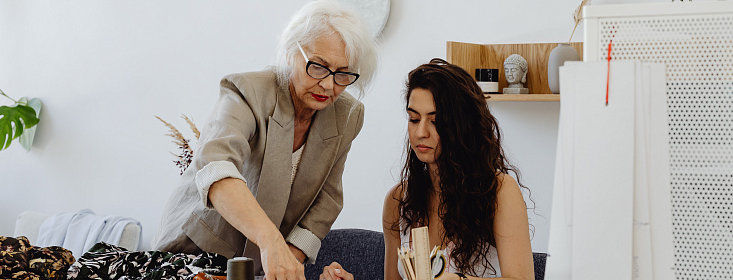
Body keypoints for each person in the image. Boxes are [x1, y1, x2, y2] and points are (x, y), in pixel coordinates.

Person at [152, 1, 378, 279]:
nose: (329, 85)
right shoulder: (247, 91)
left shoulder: (348, 115)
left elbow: (328, 199)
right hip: (194, 251)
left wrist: (289, 258)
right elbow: (215, 169)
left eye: (343, 74)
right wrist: (271, 241)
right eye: (318, 67)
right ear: (292, 51)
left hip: (258, 265)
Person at [320, 59, 534, 280]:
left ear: (462, 126)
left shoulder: (499, 191)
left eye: (435, 120)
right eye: (414, 119)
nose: (421, 132)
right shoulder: (397, 201)